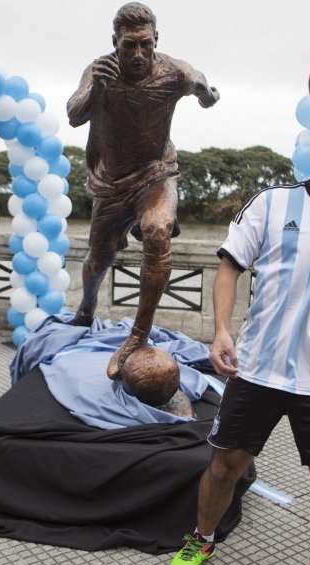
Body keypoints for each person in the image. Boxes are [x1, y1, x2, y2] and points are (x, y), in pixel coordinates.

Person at [170, 115, 310, 565]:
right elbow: (230, 267)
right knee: (223, 468)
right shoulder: (270, 204)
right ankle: (202, 539)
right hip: (256, 368)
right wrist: (221, 330)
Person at [66, 2, 220, 380]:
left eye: (145, 45)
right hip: (112, 182)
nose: (137, 54)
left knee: (156, 232)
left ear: (156, 40)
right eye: (128, 45)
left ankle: (138, 334)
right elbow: (73, 114)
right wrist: (97, 88)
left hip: (156, 174)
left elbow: (204, 87)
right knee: (98, 258)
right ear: (115, 42)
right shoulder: (99, 69)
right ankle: (86, 310)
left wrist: (207, 94)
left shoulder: (176, 73)